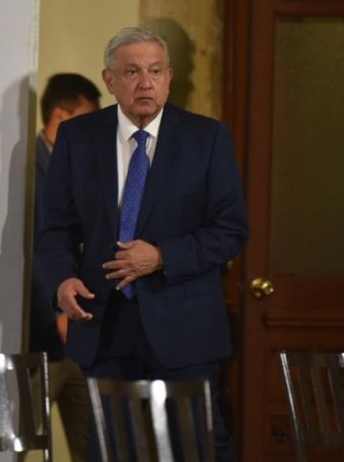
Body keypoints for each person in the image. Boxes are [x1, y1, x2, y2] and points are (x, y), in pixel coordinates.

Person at [38, 27, 249, 461]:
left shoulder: (206, 139)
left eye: (155, 71)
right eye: (131, 71)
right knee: (111, 451)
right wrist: (62, 281)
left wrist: (162, 256)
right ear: (109, 80)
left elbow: (230, 229)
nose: (145, 83)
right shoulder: (78, 138)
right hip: (104, 322)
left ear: (170, 78)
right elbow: (54, 227)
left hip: (184, 326)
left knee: (199, 449)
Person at [29, 73, 100, 461]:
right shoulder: (27, 169)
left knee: (94, 446)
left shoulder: (86, 171)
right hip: (43, 338)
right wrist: (58, 311)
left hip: (86, 335)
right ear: (60, 117)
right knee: (19, 442)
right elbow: (34, 252)